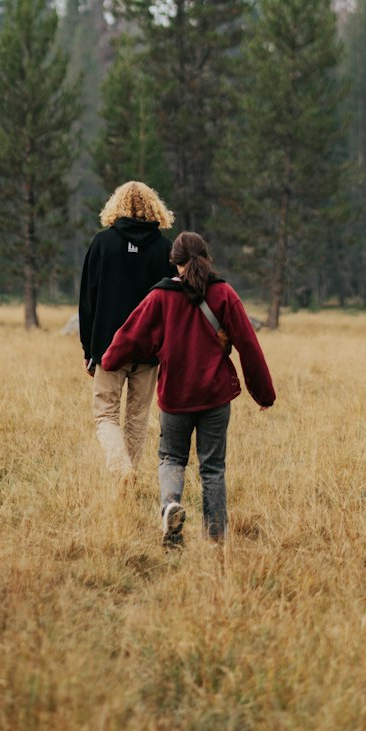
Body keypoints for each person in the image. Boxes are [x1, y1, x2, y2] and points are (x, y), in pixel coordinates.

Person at [101, 229, 275, 547]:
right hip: (215, 396)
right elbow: (250, 346)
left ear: (175, 263)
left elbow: (130, 335)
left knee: (170, 458)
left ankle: (170, 507)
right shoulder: (224, 294)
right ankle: (215, 538)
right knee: (213, 467)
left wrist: (109, 360)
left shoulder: (160, 296)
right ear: (206, 258)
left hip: (175, 396)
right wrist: (263, 394)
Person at [79, 180, 176, 483]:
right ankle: (127, 478)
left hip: (109, 347)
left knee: (105, 415)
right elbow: (173, 304)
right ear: (154, 206)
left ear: (115, 205)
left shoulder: (102, 243)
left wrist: (88, 350)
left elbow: (87, 300)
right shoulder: (164, 248)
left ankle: (122, 471)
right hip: (148, 350)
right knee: (137, 419)